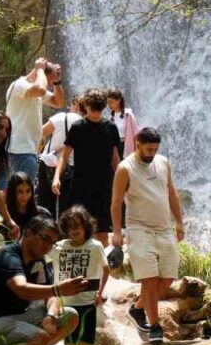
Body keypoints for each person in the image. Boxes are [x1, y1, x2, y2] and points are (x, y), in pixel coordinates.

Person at [0, 215, 86, 345]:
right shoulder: (8, 256)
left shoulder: (39, 261)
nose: (48, 245)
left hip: (14, 320)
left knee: (71, 317)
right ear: (28, 233)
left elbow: (52, 296)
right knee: (40, 337)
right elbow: (21, 289)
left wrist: (51, 316)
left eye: (52, 242)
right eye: (45, 238)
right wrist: (58, 289)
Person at [111, 127, 185, 344]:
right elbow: (115, 203)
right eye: (148, 149)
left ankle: (138, 308)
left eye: (155, 149)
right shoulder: (125, 168)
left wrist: (179, 222)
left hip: (164, 228)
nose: (151, 153)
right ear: (137, 143)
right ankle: (154, 327)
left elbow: (171, 193)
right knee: (150, 280)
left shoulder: (163, 162)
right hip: (138, 229)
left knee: (168, 277)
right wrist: (117, 232)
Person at [53, 89, 121, 245]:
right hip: (80, 185)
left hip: (104, 186)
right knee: (76, 225)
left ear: (103, 107)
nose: (95, 113)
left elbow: (115, 158)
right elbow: (65, 154)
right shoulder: (78, 127)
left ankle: (101, 266)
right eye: (92, 108)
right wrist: (57, 177)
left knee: (102, 229)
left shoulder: (111, 128)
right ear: (86, 106)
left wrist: (123, 181)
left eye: (98, 109)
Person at [51, 205, 109, 345]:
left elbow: (106, 270)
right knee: (69, 343)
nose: (73, 230)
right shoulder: (59, 247)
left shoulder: (95, 246)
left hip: (87, 302)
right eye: (69, 226)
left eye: (77, 225)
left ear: (86, 226)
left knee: (87, 342)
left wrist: (100, 292)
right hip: (66, 304)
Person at [5, 58, 65, 187]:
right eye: (49, 81)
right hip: (18, 150)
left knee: (21, 196)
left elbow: (58, 102)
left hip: (28, 151)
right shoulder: (19, 85)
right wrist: (39, 70)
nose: (48, 84)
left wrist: (57, 82)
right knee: (17, 196)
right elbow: (41, 89)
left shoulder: (35, 89)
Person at [37, 95, 84, 217]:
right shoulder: (86, 123)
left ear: (75, 105)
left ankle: (47, 233)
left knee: (45, 205)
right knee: (67, 207)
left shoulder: (60, 117)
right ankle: (66, 234)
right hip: (73, 166)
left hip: (49, 163)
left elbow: (40, 133)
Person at [0, 171, 50, 238]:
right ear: (12, 192)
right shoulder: (6, 216)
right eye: (20, 191)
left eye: (28, 191)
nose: (25, 196)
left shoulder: (43, 214)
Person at [105, 88, 139, 158]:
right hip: (115, 148)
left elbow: (136, 135)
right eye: (107, 102)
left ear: (119, 100)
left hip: (127, 146)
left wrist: (137, 152)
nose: (109, 105)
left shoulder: (128, 115)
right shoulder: (111, 117)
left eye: (111, 102)